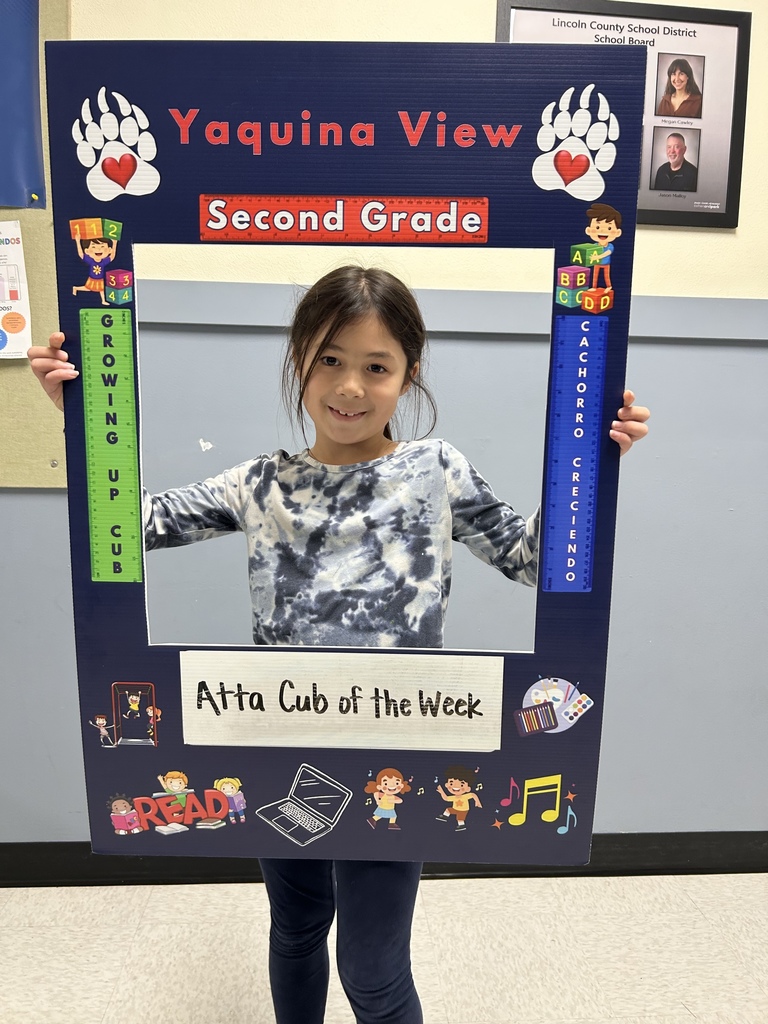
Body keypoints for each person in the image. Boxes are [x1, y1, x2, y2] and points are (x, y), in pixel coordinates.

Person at [29, 265, 650, 1023]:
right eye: (329, 359)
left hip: (396, 748)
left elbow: (530, 558)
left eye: (376, 367)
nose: (349, 387)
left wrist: (595, 463)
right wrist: (79, 418)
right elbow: (137, 523)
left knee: (374, 968)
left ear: (407, 375)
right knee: (295, 929)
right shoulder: (261, 481)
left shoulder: (435, 470)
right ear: (299, 360)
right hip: (278, 742)